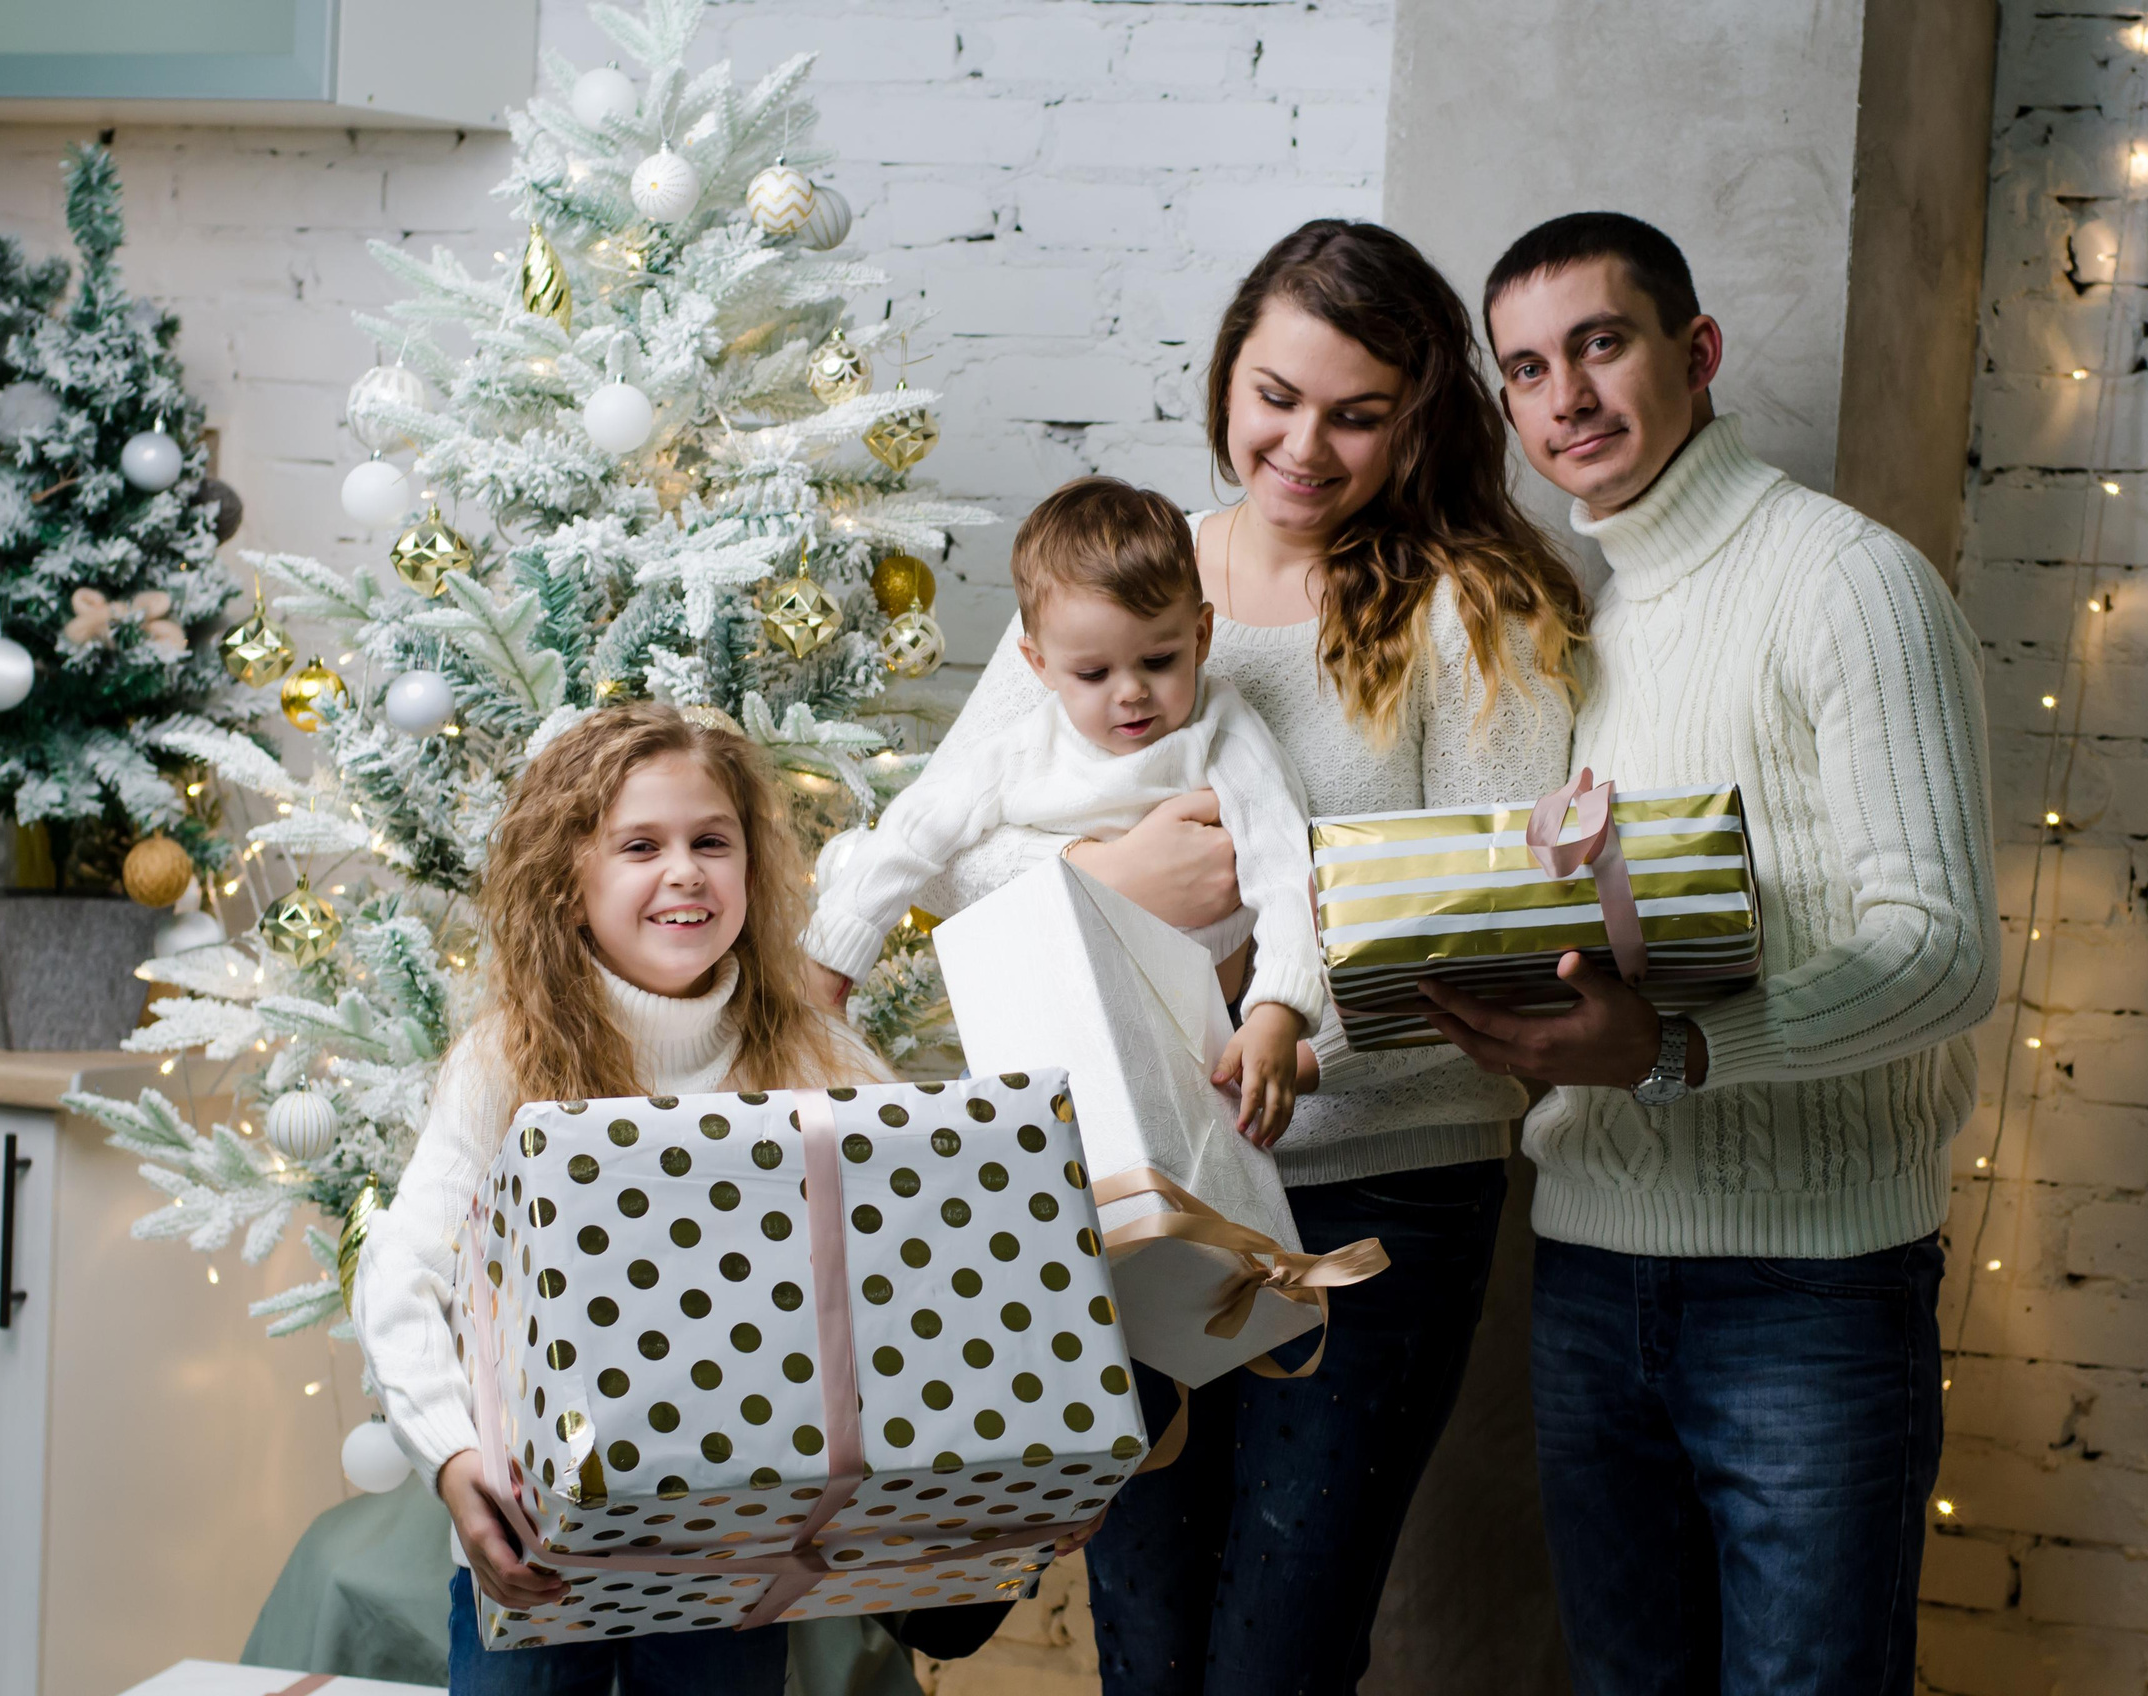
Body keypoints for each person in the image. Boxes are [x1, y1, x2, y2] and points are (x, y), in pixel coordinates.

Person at [916, 219, 1588, 1696]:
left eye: (1360, 415)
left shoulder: (1482, 608)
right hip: (1129, 1184)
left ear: (1423, 417)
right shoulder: (1125, 578)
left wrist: (1262, 1004)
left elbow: (1496, 931)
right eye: (1276, 395)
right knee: (1146, 1644)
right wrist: (1100, 882)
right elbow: (959, 860)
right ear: (1225, 369)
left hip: (1376, 1178)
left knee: (1276, 1657)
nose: (1305, 446)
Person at [1422, 211, 1999, 1695]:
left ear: (1698, 353)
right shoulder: (1591, 631)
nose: (1567, 398)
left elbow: (1938, 953)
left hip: (1811, 1291)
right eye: (1528, 369)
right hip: (1592, 1267)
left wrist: (1678, 1049)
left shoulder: (1849, 583)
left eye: (1600, 345)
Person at [351, 702, 887, 1694]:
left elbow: (912, 1252)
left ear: (750, 872)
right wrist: (451, 1457)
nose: (683, 870)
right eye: (641, 845)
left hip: (736, 1542)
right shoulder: (507, 1059)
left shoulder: (823, 1061)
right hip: (533, 1536)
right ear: (569, 884)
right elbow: (402, 1268)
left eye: (710, 842)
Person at [803, 475, 1322, 1143]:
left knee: (1177, 1184)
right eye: (1093, 674)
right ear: (1039, 664)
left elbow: (1287, 870)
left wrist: (1278, 1011)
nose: (1131, 693)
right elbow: (913, 831)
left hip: (1193, 1022)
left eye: (1159, 660)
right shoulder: (1024, 748)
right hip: (1044, 1001)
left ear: (1202, 634)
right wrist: (835, 954)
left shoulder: (1225, 733)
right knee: (1016, 1153)